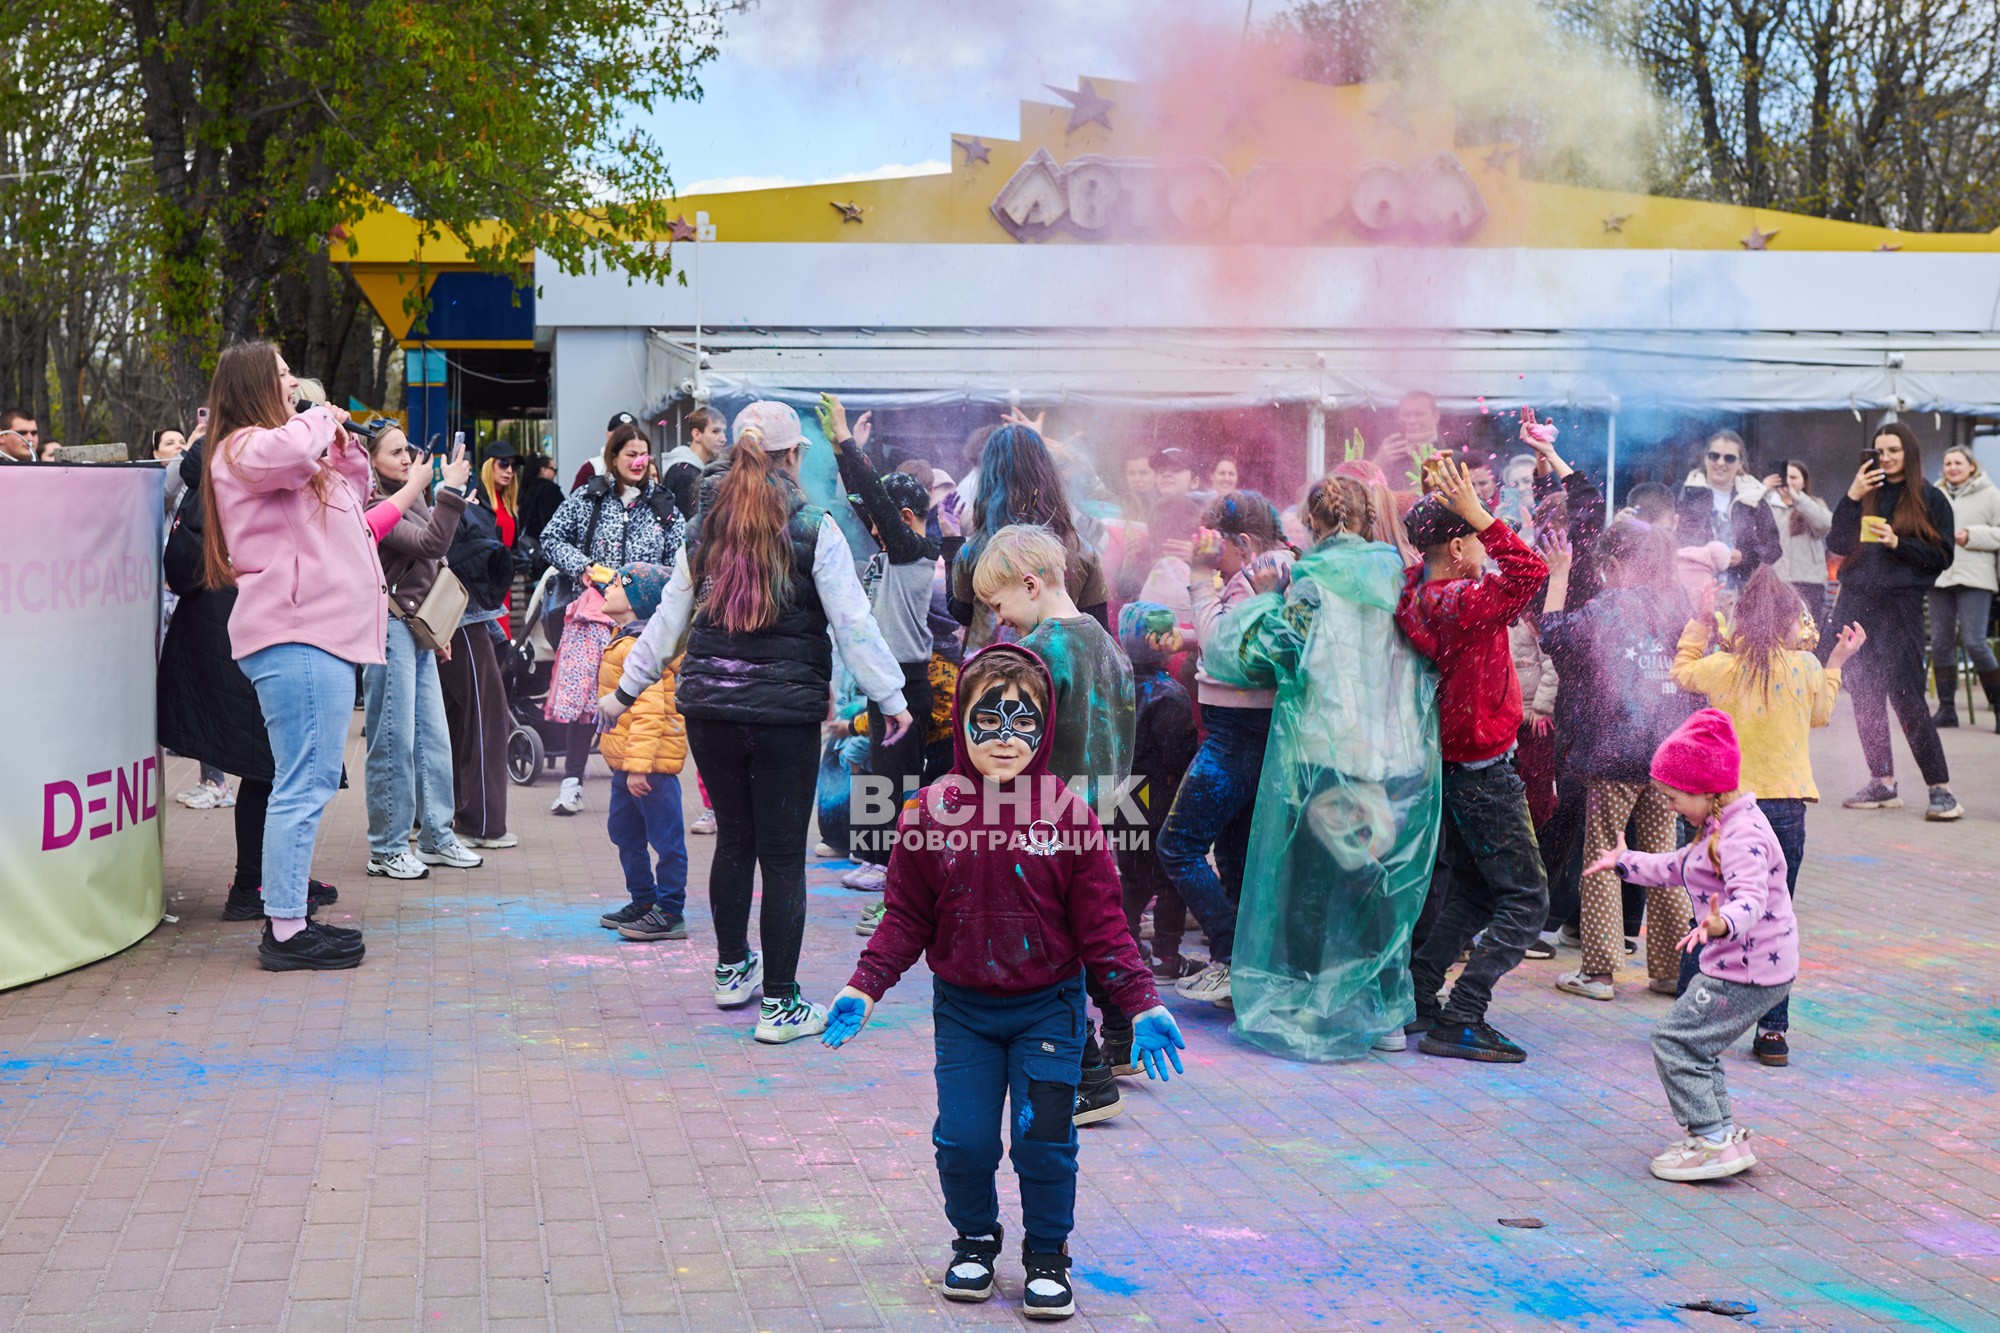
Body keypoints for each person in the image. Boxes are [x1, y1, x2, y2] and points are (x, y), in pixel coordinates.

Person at [821, 644, 1186, 1322]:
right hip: (965, 1012)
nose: (1005, 737)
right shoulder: (928, 813)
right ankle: (974, 1240)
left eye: (1023, 722)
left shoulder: (1071, 817)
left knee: (1045, 1141)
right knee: (964, 1141)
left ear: (1045, 728)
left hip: (1048, 1008)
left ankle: (1047, 1254)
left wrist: (1141, 1001)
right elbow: (905, 916)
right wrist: (864, 984)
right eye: (987, 720)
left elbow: (1105, 926)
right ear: (961, 721)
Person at [601, 401, 912, 1045]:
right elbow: (852, 623)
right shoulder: (814, 526)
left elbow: (669, 619)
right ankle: (781, 1005)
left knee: (735, 844)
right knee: (782, 856)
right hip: (783, 716)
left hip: (709, 711)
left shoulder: (704, 526)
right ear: (793, 456)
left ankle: (731, 971)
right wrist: (891, 697)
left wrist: (625, 692)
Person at [1197, 476, 1442, 1060]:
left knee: (1318, 882)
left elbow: (1263, 655)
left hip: (1325, 752)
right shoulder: (1398, 575)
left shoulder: (1310, 584)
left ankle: (1321, 1004)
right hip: (1391, 752)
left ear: (1313, 525)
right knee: (1375, 880)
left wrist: (1263, 597)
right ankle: (1382, 1009)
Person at [200, 341, 378, 971]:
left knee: (308, 781)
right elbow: (293, 448)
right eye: (281, 375)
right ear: (254, 384)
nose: (294, 383)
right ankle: (284, 929)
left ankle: (289, 918)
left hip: (317, 635)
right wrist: (323, 415)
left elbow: (351, 500)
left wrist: (345, 447)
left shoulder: (282, 453)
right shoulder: (243, 449)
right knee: (302, 784)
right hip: (296, 635)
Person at [1587, 709, 1798, 1183]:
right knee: (1697, 1045)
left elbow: (1751, 898)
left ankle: (1709, 1141)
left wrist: (1722, 924)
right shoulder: (1718, 826)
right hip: (1746, 967)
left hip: (1746, 971)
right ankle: (1723, 1136)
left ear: (1705, 789)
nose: (1669, 806)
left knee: (1674, 1041)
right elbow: (1677, 867)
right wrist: (1624, 862)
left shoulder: (1742, 835)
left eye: (1673, 796)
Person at [973, 524, 1136, 1124]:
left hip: (1044, 829)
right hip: (1104, 818)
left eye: (999, 605)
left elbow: (1011, 749)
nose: (999, 620)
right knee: (1095, 930)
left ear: (1030, 584)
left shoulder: (1036, 655)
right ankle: (1121, 1037)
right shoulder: (1111, 647)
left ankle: (1089, 1078)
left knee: (1051, 957)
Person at [1672, 566, 1863, 1067]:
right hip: (1784, 810)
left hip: (1727, 810)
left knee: (1710, 912)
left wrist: (1700, 623)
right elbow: (1820, 714)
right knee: (1775, 917)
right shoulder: (1804, 667)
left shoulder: (1723, 667)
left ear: (1739, 618)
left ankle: (1690, 1019)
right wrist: (1836, 661)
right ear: (1789, 622)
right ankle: (1772, 1031)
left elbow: (1682, 671)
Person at [1394, 455, 1551, 1063]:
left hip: (1457, 769)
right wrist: (1478, 515)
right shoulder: (1463, 601)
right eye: (1475, 538)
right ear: (1460, 548)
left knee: (1477, 893)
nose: (1485, 546)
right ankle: (1462, 1014)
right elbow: (1530, 571)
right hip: (1484, 771)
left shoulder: (1419, 592)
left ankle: (1419, 994)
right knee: (1527, 901)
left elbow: (1429, 554)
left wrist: (1444, 508)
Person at [159, 439, 341, 925]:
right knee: (268, 764)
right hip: (233, 631)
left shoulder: (235, 472)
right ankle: (252, 886)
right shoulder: (231, 475)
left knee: (277, 763)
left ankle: (280, 877)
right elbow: (184, 568)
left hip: (243, 627)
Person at [1540, 518, 1699, 1004]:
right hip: (1667, 753)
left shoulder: (1609, 606)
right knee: (1663, 860)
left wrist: (1558, 575)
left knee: (1605, 856)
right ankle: (1673, 971)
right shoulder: (1677, 604)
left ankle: (1600, 973)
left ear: (1612, 564)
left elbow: (1554, 636)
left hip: (1616, 752)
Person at [1157, 490, 1295, 1008]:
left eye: (1217, 547)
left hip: (1238, 731)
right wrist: (1189, 638)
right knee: (1236, 856)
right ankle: (1241, 969)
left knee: (1178, 844)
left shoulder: (1259, 575)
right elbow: (1244, 643)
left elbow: (1226, 649)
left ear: (1243, 542)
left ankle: (1232, 954)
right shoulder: (1276, 568)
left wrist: (1198, 576)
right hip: (1252, 727)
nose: (1212, 557)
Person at [822, 394, 938, 895]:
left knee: (898, 778)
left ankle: (898, 868)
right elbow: (863, 498)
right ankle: (874, 858)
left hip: (908, 681)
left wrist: (849, 440)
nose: (873, 529)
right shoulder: (895, 550)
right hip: (883, 679)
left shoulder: (915, 552)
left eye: (882, 520)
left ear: (905, 516)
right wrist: (839, 451)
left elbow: (873, 498)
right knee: (878, 772)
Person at [538, 422, 686, 815]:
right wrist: (583, 566)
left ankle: (639, 780)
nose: (638, 462)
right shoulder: (588, 498)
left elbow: (683, 561)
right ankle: (572, 782)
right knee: (589, 698)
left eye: (644, 455)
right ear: (613, 457)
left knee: (645, 697)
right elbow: (550, 538)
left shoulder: (665, 507)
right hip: (593, 615)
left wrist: (657, 587)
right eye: (630, 454)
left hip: (646, 622)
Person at [356, 428, 482, 879]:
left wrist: (439, 627)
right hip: (390, 626)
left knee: (432, 736)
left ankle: (436, 836)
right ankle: (387, 848)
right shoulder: (374, 503)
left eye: (407, 450)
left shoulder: (409, 495)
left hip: (416, 625)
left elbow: (432, 559)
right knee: (393, 739)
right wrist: (450, 490)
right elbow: (432, 544)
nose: (407, 459)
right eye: (395, 452)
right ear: (371, 460)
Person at [1827, 423, 1963, 819]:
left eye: (1894, 450)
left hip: (1901, 605)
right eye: (1879, 450)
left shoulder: (1930, 498)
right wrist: (1852, 495)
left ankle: (1940, 788)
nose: (1885, 457)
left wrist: (1897, 543)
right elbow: (1836, 544)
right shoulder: (1864, 493)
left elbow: (1942, 557)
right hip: (1856, 603)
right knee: (1865, 693)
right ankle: (1882, 781)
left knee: (1907, 695)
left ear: (1909, 453)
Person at [588, 564, 691, 941]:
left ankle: (670, 910)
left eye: (617, 584)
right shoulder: (624, 639)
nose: (608, 588)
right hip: (627, 765)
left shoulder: (642, 649)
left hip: (650, 769)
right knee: (623, 832)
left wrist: (638, 768)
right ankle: (644, 900)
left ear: (636, 601)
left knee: (666, 840)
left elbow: (650, 714)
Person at [949, 423, 1109, 652]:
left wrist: (950, 546)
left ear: (988, 480)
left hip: (990, 670)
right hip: (1060, 669)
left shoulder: (975, 550)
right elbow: (1100, 631)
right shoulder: (1078, 547)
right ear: (1047, 474)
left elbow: (962, 613)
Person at [1113, 603, 1199, 981]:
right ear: (1159, 642)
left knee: (1133, 877)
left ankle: (1126, 946)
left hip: (1123, 794)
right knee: (1170, 880)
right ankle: (1166, 956)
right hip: (1158, 799)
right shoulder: (1169, 694)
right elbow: (1179, 757)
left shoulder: (1113, 686)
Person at [440, 471, 518, 850]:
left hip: (453, 617)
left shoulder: (419, 499)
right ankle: (480, 823)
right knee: (485, 719)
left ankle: (457, 818)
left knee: (457, 721)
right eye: (397, 452)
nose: (405, 459)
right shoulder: (426, 500)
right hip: (458, 617)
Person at [1930, 445, 2000, 730]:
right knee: (1940, 643)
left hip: (1976, 578)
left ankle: (1998, 708)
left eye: (1958, 462)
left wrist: (1971, 535)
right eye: (1948, 463)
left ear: (1972, 466)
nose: (1952, 468)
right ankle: (1947, 710)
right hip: (1941, 577)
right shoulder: (1934, 494)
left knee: (1975, 643)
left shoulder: (1991, 494)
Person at [1676, 429, 1781, 587]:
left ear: (1740, 463)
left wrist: (1745, 556)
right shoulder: (1685, 493)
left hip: (1741, 588)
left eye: (1729, 458)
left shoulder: (1754, 499)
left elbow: (1773, 548)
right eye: (1714, 456)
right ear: (1705, 458)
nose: (1720, 463)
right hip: (1693, 586)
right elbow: (1669, 536)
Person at [1763, 460, 1832, 631]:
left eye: (1793, 477)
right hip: (1776, 581)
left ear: (1804, 482)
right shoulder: (1766, 503)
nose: (1787, 481)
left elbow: (1827, 523)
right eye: (1784, 476)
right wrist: (1761, 489)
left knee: (1806, 633)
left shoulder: (1813, 504)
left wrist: (1798, 498)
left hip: (1809, 583)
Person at [659, 405, 725, 520]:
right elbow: (687, 523)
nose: (723, 439)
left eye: (724, 432)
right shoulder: (687, 473)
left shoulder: (684, 467)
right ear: (697, 434)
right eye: (715, 431)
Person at [572, 411, 639, 491]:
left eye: (631, 435)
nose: (625, 439)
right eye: (619, 435)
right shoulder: (592, 467)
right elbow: (575, 497)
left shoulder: (643, 467)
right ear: (608, 436)